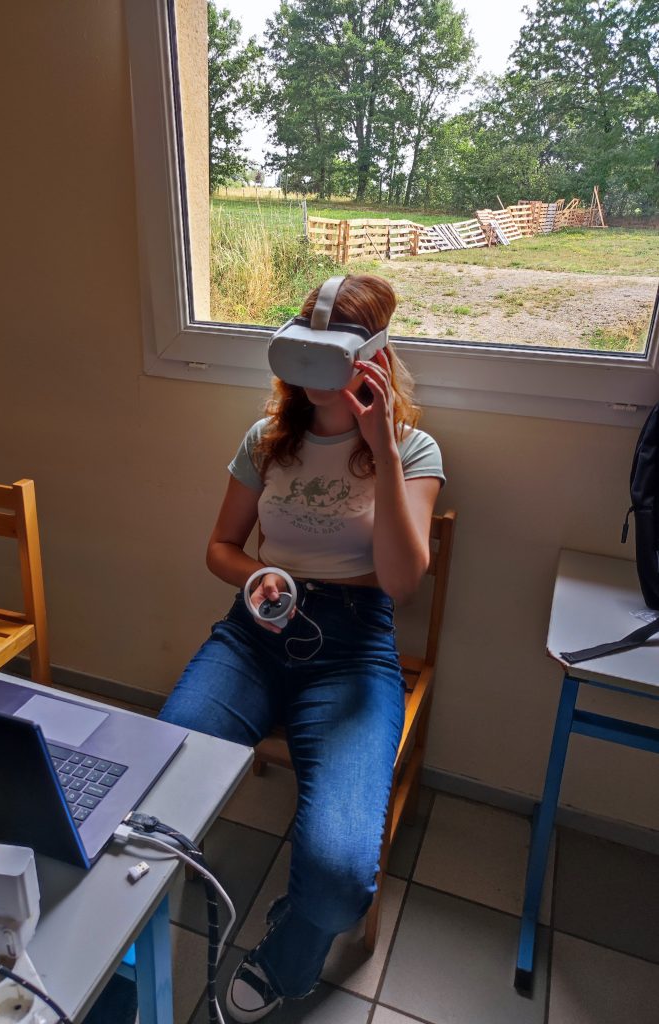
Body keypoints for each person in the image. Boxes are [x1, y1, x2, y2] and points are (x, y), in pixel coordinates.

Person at [159, 274, 445, 1022]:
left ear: (374, 358)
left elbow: (402, 582)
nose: (315, 373)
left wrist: (382, 450)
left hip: (352, 648)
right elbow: (221, 547)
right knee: (161, 775)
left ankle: (288, 951)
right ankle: (154, 891)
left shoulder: (414, 450)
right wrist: (257, 578)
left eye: (334, 354)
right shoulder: (267, 440)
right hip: (256, 630)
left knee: (340, 879)